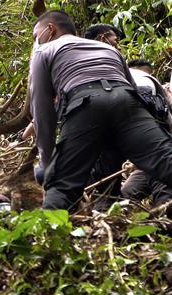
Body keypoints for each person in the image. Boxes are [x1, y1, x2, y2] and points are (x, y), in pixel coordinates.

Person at [29, 10, 172, 210]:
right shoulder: (108, 49)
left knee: (63, 184)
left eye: (36, 35)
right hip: (127, 102)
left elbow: (42, 110)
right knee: (166, 161)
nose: (36, 40)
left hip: (85, 104)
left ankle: (47, 228)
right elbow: (132, 88)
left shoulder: (44, 51)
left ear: (50, 29)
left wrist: (46, 163)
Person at [119, 59, 172, 208]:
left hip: (155, 155)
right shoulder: (149, 83)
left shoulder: (117, 80)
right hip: (155, 153)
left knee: (127, 196)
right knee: (130, 193)